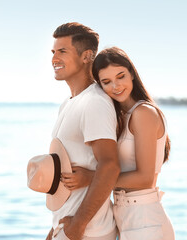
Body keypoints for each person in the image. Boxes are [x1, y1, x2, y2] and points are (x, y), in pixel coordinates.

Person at [60, 47, 175, 239]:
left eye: (120, 76)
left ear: (131, 73)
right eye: (106, 82)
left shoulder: (143, 113)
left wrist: (93, 178)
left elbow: (145, 179)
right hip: (125, 215)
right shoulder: (120, 117)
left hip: (144, 218)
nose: (116, 86)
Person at [46, 22, 120, 240]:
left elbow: (110, 165)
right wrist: (54, 230)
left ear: (87, 56)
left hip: (89, 231)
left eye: (62, 51)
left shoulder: (95, 102)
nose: (54, 58)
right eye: (53, 52)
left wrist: (78, 226)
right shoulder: (69, 103)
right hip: (67, 226)